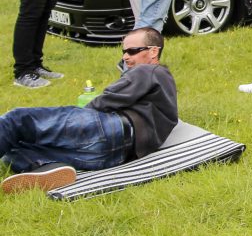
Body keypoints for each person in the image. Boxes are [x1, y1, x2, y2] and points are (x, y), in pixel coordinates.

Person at [1, 28, 178, 193]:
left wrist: (79, 114)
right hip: (115, 154)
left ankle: (36, 164)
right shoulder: (163, 86)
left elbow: (109, 98)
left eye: (132, 51)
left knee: (16, 120)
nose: (125, 57)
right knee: (16, 147)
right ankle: (46, 168)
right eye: (124, 51)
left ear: (154, 52)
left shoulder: (149, 70)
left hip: (112, 129)